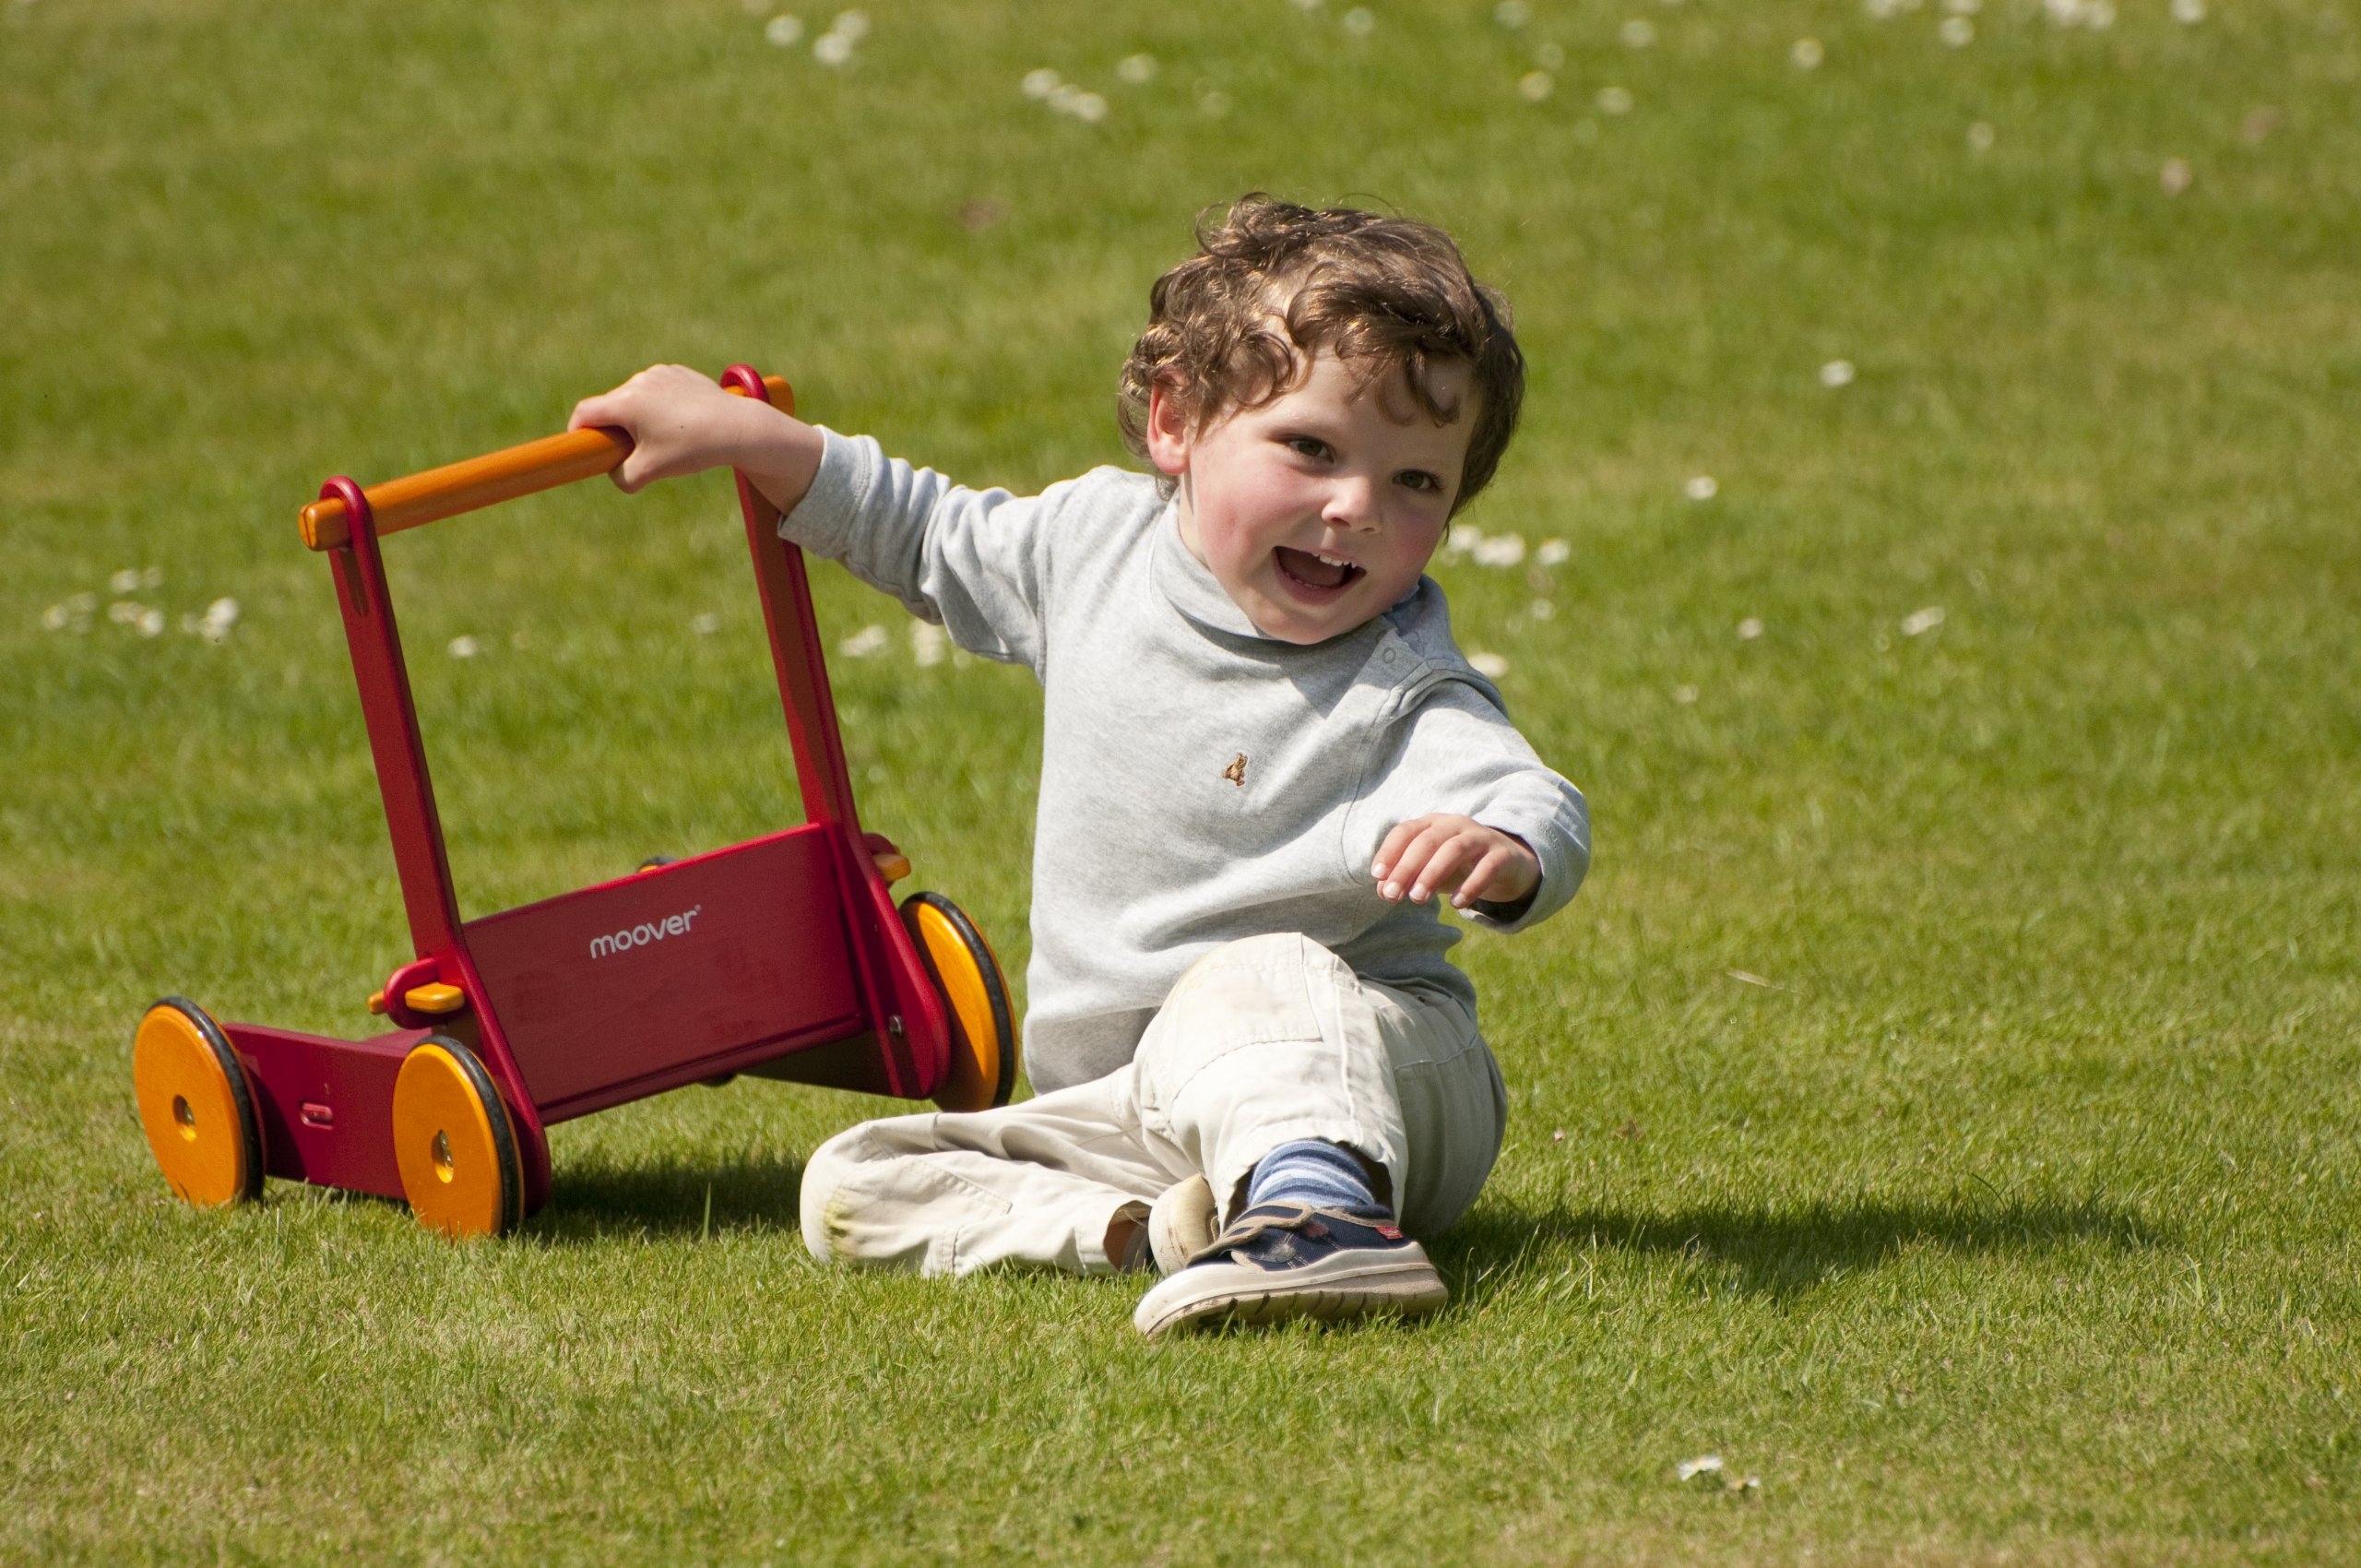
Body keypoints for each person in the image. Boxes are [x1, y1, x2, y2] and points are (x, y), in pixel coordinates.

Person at [570, 195, 1589, 1336]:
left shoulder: (1392, 683)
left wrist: (1505, 848)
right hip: (1137, 1111)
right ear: (1175, 421)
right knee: (853, 1182)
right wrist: (745, 435)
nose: (1355, 506)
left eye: (1416, 484)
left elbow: (1525, 791)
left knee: (1252, 978)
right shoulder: (1091, 548)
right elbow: (924, 530)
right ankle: (1157, 1233)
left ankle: (1322, 1217)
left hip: (1377, 1079)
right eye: (1311, 448)